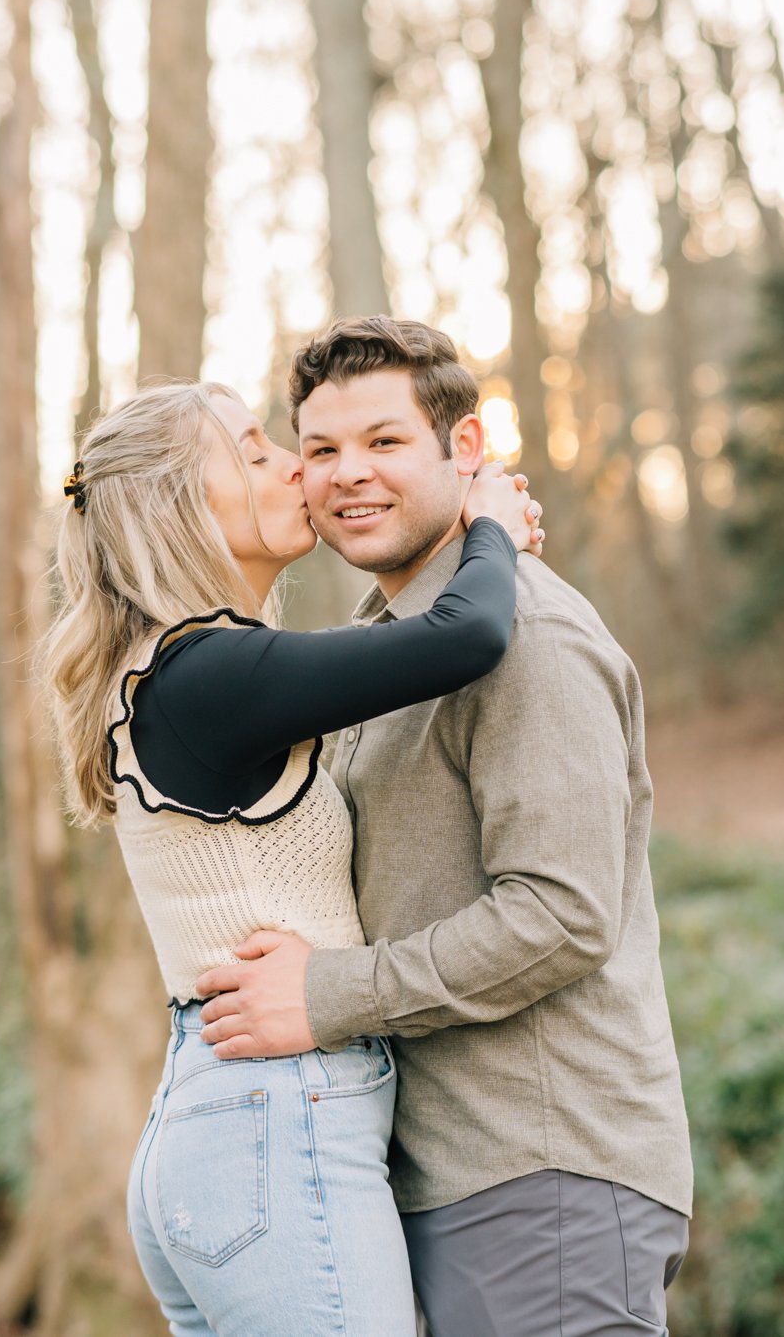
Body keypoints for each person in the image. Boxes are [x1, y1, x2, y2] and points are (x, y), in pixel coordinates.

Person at [193, 317, 694, 1336]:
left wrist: (327, 993)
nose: (346, 475)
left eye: (384, 442)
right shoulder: (391, 653)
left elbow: (558, 916)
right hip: (443, 1178)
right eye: (321, 448)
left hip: (543, 1170)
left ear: (464, 453)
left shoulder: (528, 644)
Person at [35, 377, 544, 1337]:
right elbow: (466, 633)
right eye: (258, 449)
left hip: (231, 1128)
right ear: (188, 503)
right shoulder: (208, 673)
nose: (296, 467)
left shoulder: (190, 671)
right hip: (273, 1124)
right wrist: (492, 530)